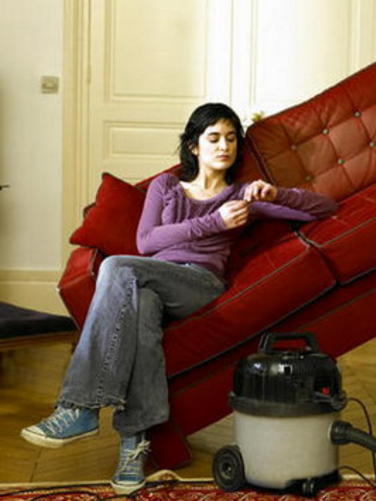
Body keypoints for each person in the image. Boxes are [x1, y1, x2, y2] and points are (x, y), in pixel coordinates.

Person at [20, 103, 338, 493]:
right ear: (193, 146)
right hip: (155, 280)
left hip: (199, 284)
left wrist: (276, 192)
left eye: (231, 139)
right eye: (214, 138)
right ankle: (133, 446)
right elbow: (147, 241)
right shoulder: (166, 187)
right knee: (142, 309)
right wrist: (214, 222)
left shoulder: (241, 196)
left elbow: (325, 208)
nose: (224, 146)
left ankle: (81, 407)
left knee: (117, 267)